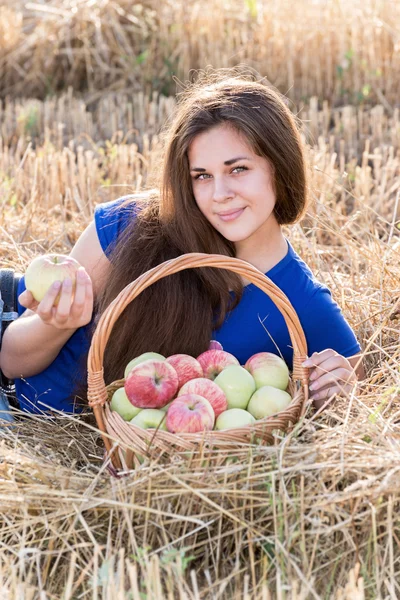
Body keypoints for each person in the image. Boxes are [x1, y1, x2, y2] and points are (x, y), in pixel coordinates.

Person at [0, 71, 364, 417]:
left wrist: (340, 392)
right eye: (202, 176)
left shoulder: (305, 305)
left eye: (238, 169)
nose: (220, 194)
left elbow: (358, 396)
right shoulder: (132, 223)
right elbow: (12, 360)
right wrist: (59, 324)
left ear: (280, 167)